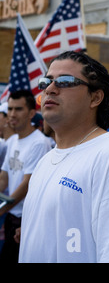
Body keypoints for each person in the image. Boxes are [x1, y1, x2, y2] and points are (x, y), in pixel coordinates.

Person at [18, 51, 109, 263]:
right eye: (46, 82)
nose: (50, 89)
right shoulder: (45, 161)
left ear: (95, 97)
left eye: (66, 81)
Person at [0, 90, 52, 262]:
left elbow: (27, 184)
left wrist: (2, 209)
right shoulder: (13, 140)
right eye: (11, 109)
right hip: (11, 215)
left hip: (25, 218)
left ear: (31, 113)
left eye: (18, 109)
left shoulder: (39, 142)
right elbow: (4, 178)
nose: (12, 114)